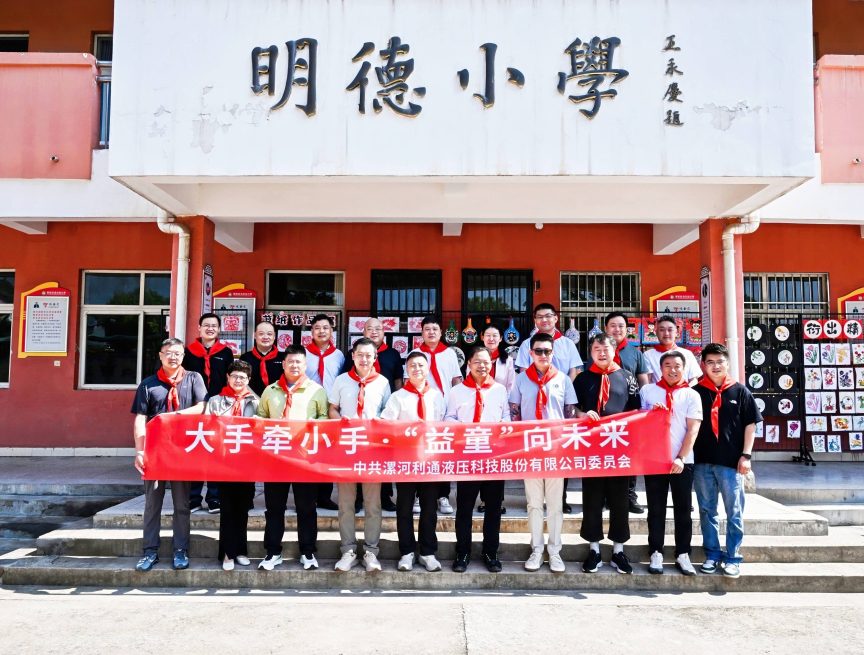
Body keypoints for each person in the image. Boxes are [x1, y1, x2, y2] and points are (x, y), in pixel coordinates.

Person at [131, 337, 207, 572]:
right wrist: (140, 451)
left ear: (183, 356)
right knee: (152, 503)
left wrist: (174, 416)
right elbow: (140, 419)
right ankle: (149, 551)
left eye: (178, 353)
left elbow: (203, 407)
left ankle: (180, 549)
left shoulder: (193, 378)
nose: (173, 357)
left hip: (183, 452)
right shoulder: (148, 384)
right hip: (155, 452)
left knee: (182, 504)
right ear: (161, 355)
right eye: (169, 353)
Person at [509, 332, 577, 573]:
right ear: (531, 353)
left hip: (556, 450)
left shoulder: (563, 379)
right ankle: (537, 549)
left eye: (547, 351)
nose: (543, 355)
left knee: (555, 504)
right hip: (530, 450)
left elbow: (570, 413)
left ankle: (555, 551)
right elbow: (514, 413)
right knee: (534, 504)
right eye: (538, 351)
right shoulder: (521, 380)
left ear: (553, 353)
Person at [256, 345, 329, 571]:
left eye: (299, 362)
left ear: (305, 365)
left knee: (306, 507)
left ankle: (307, 551)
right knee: (274, 508)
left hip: (304, 458)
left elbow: (325, 418)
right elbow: (260, 418)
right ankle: (273, 551)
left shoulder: (317, 391)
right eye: (290, 362)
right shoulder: (270, 390)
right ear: (284, 364)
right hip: (276, 457)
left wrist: (312, 426)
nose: (294, 366)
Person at [693, 343, 761, 578]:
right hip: (702, 462)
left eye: (720, 362)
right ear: (703, 365)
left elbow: (750, 425)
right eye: (710, 362)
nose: (715, 366)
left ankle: (733, 557)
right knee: (706, 510)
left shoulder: (740, 392)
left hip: (731, 463)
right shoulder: (695, 392)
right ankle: (712, 554)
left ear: (728, 363)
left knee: (734, 511)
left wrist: (746, 455)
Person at [574, 333, 640, 575]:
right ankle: (593, 549)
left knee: (620, 500)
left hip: (619, 449)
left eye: (606, 349)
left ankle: (618, 550)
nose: (602, 353)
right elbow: (573, 408)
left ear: (614, 351)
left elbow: (637, 410)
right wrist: (582, 415)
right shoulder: (582, 379)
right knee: (592, 498)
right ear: (591, 352)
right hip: (591, 448)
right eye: (597, 349)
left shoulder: (627, 377)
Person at [329, 338, 392, 572]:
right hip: (346, 449)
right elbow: (332, 408)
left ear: (375, 358)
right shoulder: (341, 380)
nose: (364, 359)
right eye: (360, 355)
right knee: (346, 503)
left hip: (372, 450)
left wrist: (379, 422)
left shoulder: (383, 382)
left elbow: (388, 412)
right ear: (353, 356)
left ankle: (371, 551)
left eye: (369, 355)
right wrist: (340, 421)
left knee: (372, 503)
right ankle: (347, 550)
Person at [380, 351, 446, 572]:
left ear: (427, 369)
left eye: (421, 365)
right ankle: (407, 552)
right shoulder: (398, 397)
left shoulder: (436, 396)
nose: (417, 369)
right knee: (404, 508)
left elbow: (443, 424)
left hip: (430, 461)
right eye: (412, 366)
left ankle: (428, 552)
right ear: (407, 370)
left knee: (429, 508)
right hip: (405, 461)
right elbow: (386, 424)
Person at [446, 346, 510, 573]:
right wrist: (465, 429)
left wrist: (501, 426)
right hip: (468, 456)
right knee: (464, 508)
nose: (482, 366)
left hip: (494, 457)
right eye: (477, 362)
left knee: (493, 508)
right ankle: (462, 552)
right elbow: (449, 418)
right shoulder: (457, 391)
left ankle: (490, 552)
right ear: (469, 364)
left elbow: (506, 416)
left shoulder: (500, 390)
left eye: (486, 362)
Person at [515, 303, 583, 513]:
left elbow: (574, 370)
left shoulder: (567, 343)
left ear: (556, 318)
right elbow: (523, 371)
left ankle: (560, 499)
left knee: (559, 455)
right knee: (533, 456)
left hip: (559, 402)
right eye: (540, 316)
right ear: (535, 320)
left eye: (548, 316)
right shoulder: (527, 344)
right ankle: (534, 501)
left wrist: (562, 390)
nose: (544, 320)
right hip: (532, 401)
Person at [639, 351, 703, 576]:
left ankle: (683, 553)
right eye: (667, 365)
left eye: (677, 365)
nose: (672, 370)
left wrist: (681, 457)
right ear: (660, 368)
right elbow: (639, 424)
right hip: (654, 459)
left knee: (683, 509)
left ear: (684, 368)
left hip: (682, 461)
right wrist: (651, 415)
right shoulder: (647, 391)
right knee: (655, 509)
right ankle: (656, 551)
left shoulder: (691, 395)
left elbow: (693, 429)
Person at [587, 312, 651, 515]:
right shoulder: (597, 350)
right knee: (602, 460)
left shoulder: (635, 353)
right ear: (606, 328)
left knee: (627, 459)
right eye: (613, 326)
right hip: (599, 421)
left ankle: (629, 497)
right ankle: (604, 497)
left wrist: (642, 410)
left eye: (621, 326)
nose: (617, 329)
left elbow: (643, 382)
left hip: (626, 419)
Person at [343, 317, 403, 513]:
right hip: (358, 417)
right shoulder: (353, 354)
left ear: (384, 332)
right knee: (358, 459)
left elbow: (398, 382)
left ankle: (385, 497)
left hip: (384, 416)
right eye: (370, 328)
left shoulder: (393, 354)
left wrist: (396, 409)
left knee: (382, 459)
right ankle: (358, 498)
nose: (374, 332)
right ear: (364, 332)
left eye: (378, 328)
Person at [206, 359, 259, 572]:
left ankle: (241, 551)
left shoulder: (255, 401)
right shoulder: (215, 401)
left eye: (243, 377)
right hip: (224, 461)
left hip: (247, 462)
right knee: (227, 508)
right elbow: (206, 427)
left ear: (249, 380)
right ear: (228, 377)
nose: (238, 380)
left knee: (243, 507)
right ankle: (227, 553)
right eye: (235, 376)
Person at [409, 315, 463, 515]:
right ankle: (418, 494)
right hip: (420, 409)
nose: (431, 332)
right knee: (419, 452)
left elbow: (457, 381)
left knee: (442, 453)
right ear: (421, 332)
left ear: (441, 332)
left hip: (445, 410)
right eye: (427, 329)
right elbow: (407, 380)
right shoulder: (415, 353)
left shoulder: (449, 353)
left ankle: (443, 495)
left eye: (435, 329)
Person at [183, 312, 234, 513]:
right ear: (199, 328)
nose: (210, 328)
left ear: (219, 329)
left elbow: (230, 379)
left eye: (214, 325)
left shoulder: (226, 352)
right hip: (194, 408)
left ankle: (214, 497)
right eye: (206, 325)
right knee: (196, 451)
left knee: (215, 452)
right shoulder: (188, 352)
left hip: (218, 408)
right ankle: (194, 498)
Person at [305, 313, 345, 512]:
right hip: (309, 409)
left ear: (332, 331)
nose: (322, 331)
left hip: (330, 409)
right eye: (317, 328)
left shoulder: (339, 356)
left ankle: (324, 497)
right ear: (311, 331)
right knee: (308, 452)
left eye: (326, 328)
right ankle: (307, 496)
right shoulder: (303, 354)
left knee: (328, 453)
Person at [478, 321, 516, 514]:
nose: (491, 339)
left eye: (495, 335)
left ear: (501, 338)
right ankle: (484, 500)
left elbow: (511, 386)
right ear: (482, 337)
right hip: (479, 412)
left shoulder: (507, 360)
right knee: (481, 457)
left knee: (497, 460)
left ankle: (497, 501)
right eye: (488, 335)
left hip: (499, 411)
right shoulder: (475, 358)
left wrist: (506, 411)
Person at [643, 315, 703, 385]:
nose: (666, 333)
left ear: (676, 333)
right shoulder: (648, 355)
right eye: (662, 330)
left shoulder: (687, 354)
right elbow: (647, 381)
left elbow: (694, 380)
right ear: (656, 333)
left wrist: (685, 390)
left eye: (670, 330)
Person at [240, 320, 285, 397]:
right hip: (251, 399)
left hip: (278, 399)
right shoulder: (245, 358)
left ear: (274, 336)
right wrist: (255, 399)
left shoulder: (283, 357)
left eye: (269, 334)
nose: (265, 337)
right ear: (255, 335)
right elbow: (242, 382)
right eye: (261, 334)